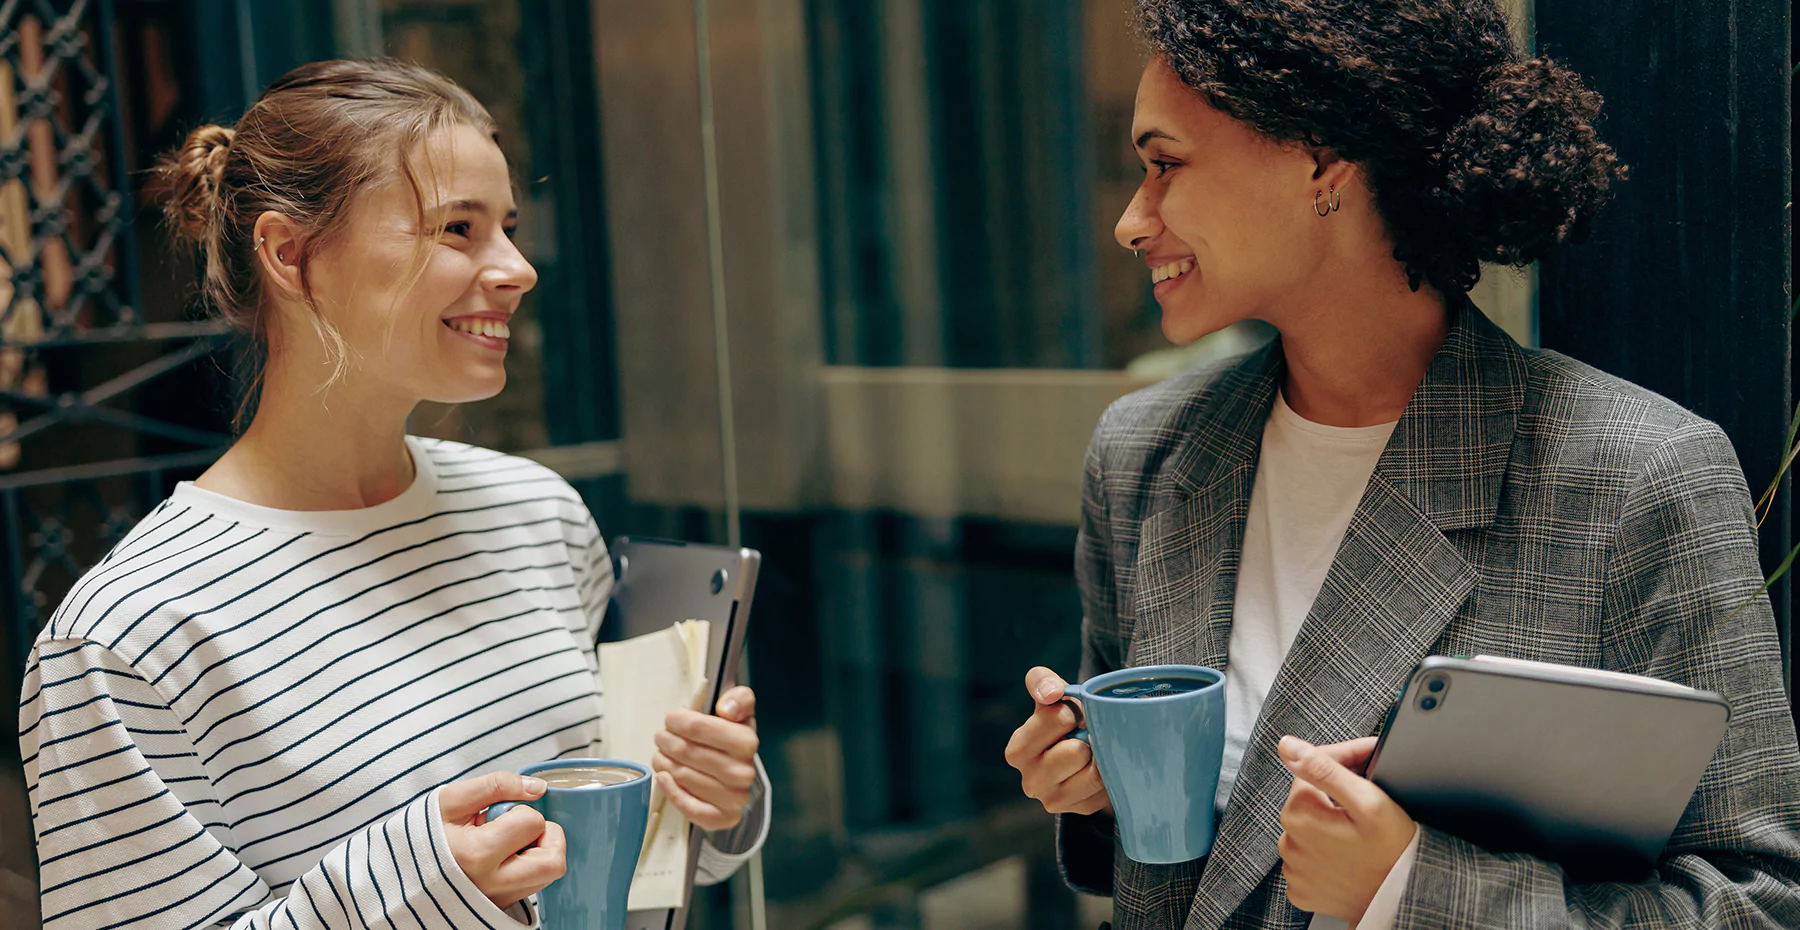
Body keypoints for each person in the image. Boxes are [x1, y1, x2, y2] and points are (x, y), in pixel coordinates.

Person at [1004, 1, 1800, 928]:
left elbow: (1762, 902)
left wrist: (1414, 890)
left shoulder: (1637, 475)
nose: (1132, 222)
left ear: (1321, 159)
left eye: (1166, 164)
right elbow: (1192, 873)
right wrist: (1094, 789)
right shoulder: (1144, 454)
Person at [18, 59, 768, 929]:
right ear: (291, 255)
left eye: (510, 229)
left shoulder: (538, 513)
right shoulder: (125, 638)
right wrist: (410, 889)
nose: (519, 269)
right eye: (457, 228)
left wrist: (714, 800)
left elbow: (621, 860)